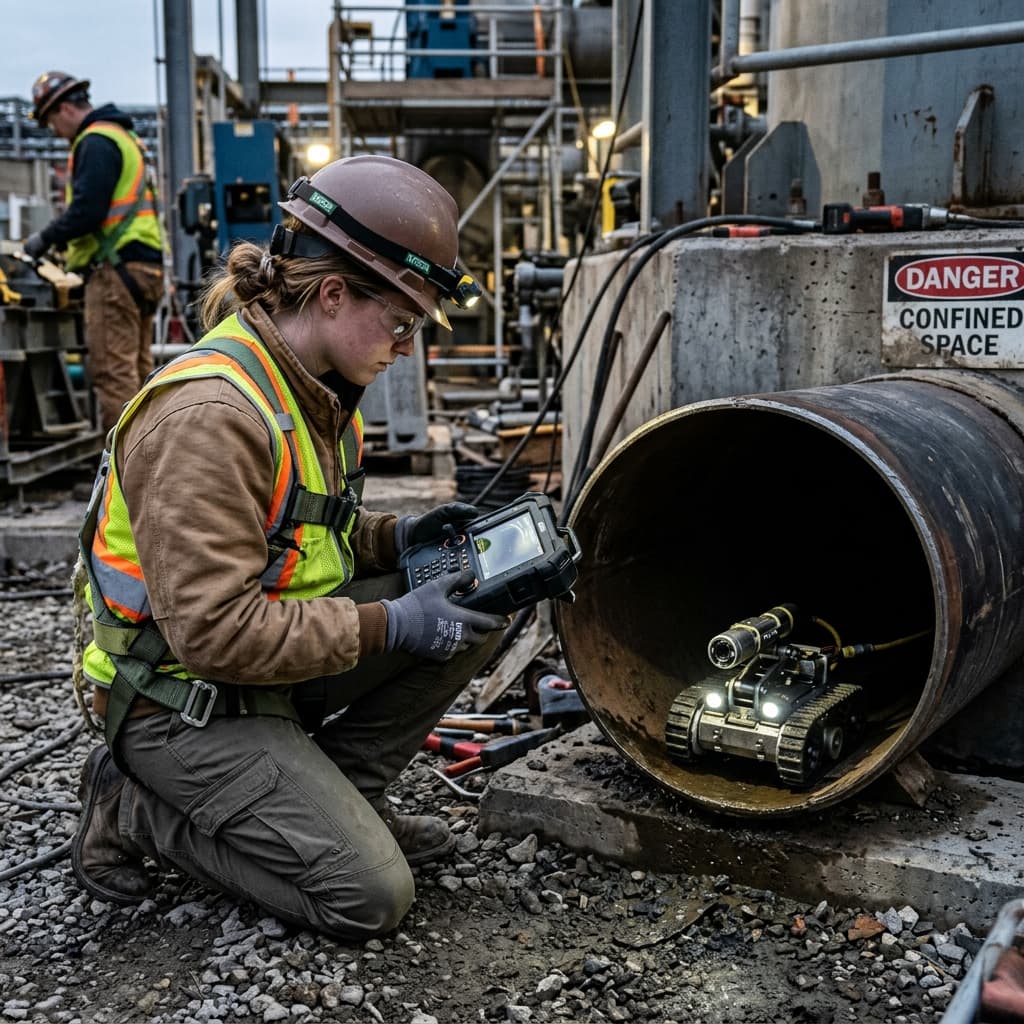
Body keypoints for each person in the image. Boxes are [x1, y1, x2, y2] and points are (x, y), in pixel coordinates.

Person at [71, 155, 508, 939]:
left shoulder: (317, 393)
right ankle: (134, 809)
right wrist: (392, 624)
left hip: (261, 667)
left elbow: (305, 537)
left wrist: (398, 539)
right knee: (369, 895)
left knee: (483, 598)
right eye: (403, 322)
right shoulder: (211, 417)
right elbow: (211, 633)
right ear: (334, 293)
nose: (407, 347)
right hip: (174, 700)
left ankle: (340, 798)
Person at [24, 71, 165, 434]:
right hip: (143, 268)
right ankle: (148, 465)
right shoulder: (124, 138)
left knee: (114, 375)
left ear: (65, 108)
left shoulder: (95, 141)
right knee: (137, 372)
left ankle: (122, 479)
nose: (53, 131)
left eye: (50, 121)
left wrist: (44, 239)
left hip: (115, 272)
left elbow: (87, 211)